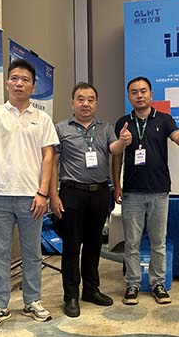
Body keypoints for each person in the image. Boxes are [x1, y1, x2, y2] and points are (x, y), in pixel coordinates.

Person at [0, 58, 59, 329]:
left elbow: (48, 157)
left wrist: (43, 193)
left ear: (33, 86)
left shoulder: (42, 118)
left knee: (32, 253)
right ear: (7, 83)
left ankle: (32, 301)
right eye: (15, 78)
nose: (19, 83)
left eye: (25, 80)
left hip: (32, 196)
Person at [50, 82, 132, 318]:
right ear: (72, 103)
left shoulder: (105, 127)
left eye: (90, 99)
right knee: (71, 246)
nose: (85, 104)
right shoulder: (61, 128)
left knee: (94, 244)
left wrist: (123, 141)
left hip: (99, 193)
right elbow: (53, 163)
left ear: (96, 103)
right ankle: (70, 295)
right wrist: (53, 195)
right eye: (80, 99)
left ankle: (91, 290)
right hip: (71, 193)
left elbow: (114, 149)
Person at [112, 76, 179, 305]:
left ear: (151, 94)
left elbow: (177, 136)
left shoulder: (164, 119)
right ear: (129, 96)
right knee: (132, 243)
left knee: (158, 242)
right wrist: (117, 185)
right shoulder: (123, 123)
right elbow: (116, 156)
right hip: (132, 192)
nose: (139, 95)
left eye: (143, 91)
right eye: (134, 92)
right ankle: (132, 284)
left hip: (159, 191)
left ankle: (158, 283)